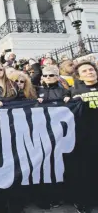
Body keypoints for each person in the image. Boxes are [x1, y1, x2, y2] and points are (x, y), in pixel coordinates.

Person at [65, 61, 98, 213]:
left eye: (91, 69)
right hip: (87, 136)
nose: (89, 72)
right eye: (84, 71)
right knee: (89, 169)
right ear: (78, 75)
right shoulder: (73, 90)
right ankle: (88, 201)